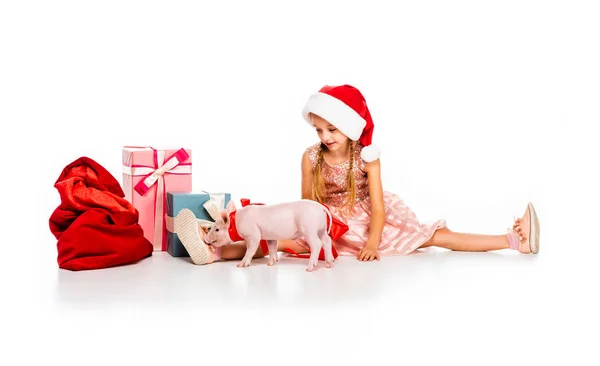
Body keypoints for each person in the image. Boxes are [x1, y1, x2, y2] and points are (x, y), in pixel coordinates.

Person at [174, 84, 540, 265]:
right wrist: (311, 231)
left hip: (368, 219)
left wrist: (372, 242)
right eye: (319, 130)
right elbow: (306, 203)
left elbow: (378, 206)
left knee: (433, 236)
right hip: (326, 221)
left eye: (332, 129)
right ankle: (213, 250)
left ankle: (512, 241)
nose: (325, 137)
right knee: (279, 238)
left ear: (350, 127)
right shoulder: (311, 157)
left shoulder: (368, 157)